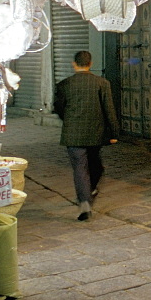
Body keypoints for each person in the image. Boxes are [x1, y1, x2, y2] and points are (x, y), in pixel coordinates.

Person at [54, 51, 119, 221]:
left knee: (80, 167)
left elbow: (59, 108)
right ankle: (89, 191)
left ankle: (84, 201)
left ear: (74, 64)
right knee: (95, 164)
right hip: (95, 132)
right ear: (90, 63)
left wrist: (69, 120)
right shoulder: (102, 83)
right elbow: (109, 110)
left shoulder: (64, 85)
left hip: (73, 133)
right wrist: (114, 132)